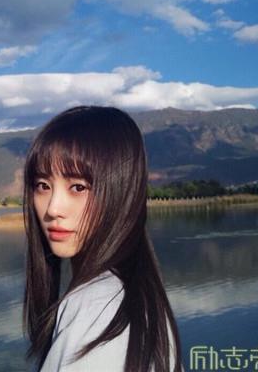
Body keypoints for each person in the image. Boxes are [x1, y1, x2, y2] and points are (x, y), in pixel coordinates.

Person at [22, 105, 183, 372]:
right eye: (43, 186)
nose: (53, 208)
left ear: (122, 193)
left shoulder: (97, 308)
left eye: (78, 187)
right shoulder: (133, 297)